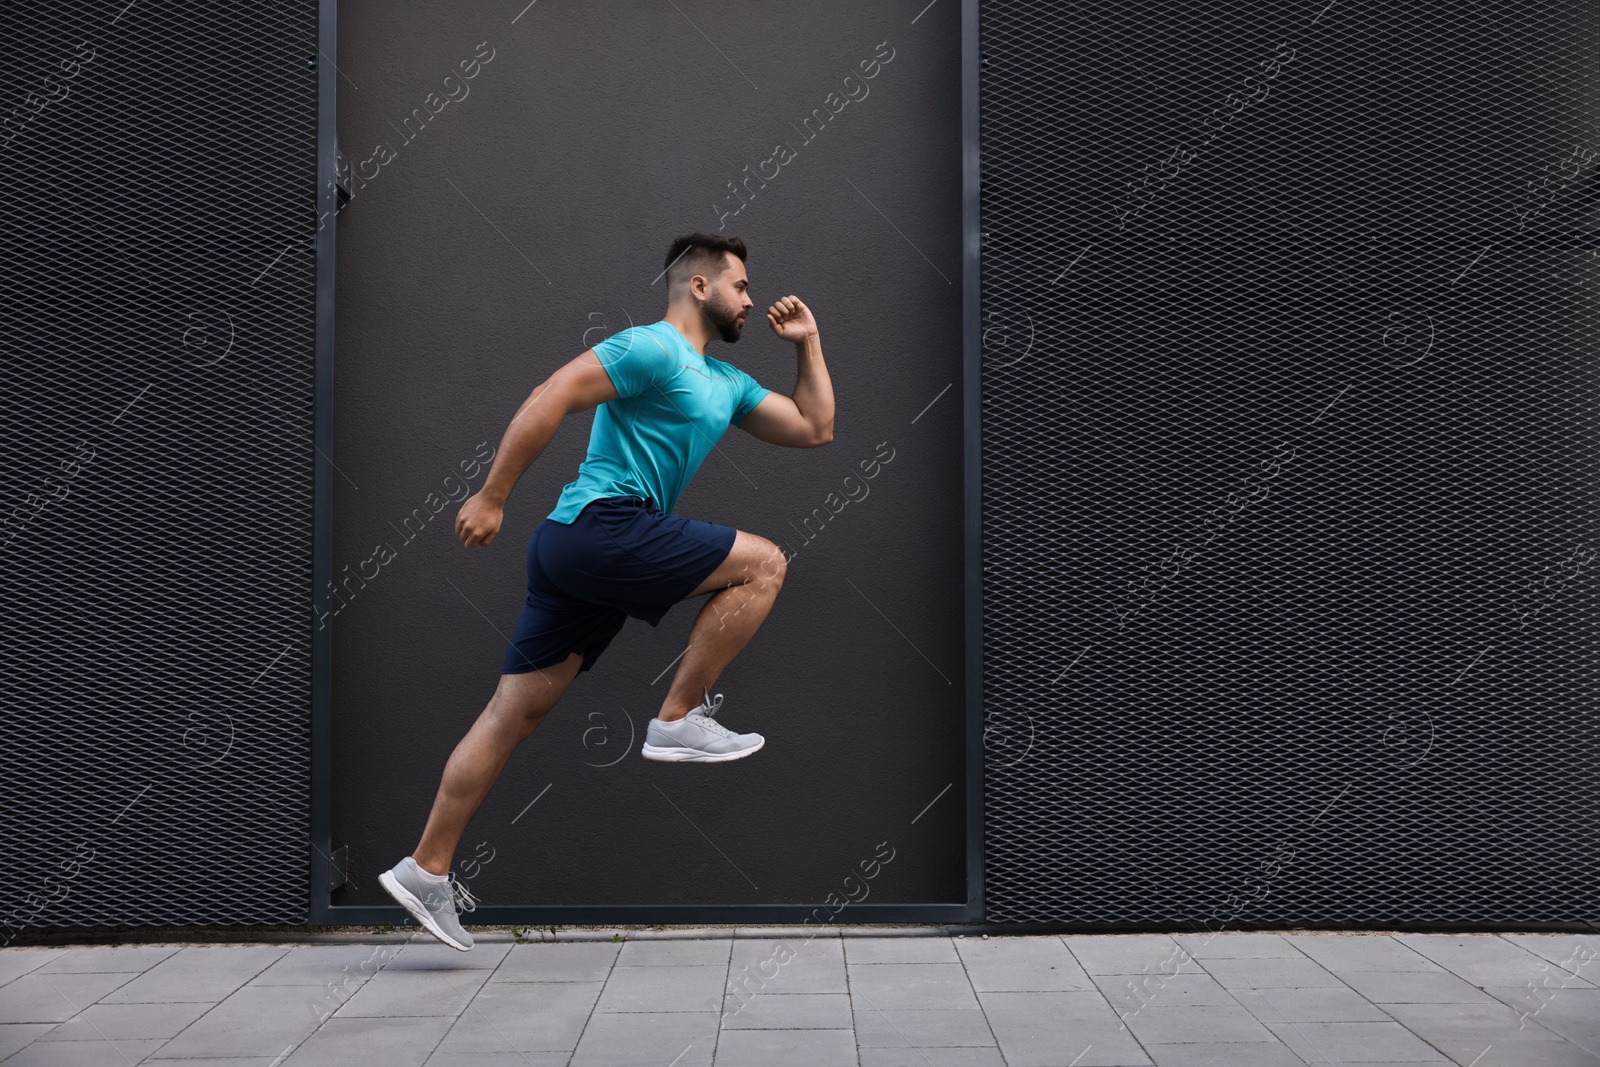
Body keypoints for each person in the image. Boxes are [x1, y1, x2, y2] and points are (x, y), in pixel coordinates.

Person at [379, 232, 834, 950]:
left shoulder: (727, 384)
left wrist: (807, 343)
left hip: (578, 548)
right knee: (766, 564)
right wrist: (492, 495)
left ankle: (424, 867)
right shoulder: (652, 348)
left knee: (512, 715)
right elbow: (552, 393)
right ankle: (678, 718)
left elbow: (815, 428)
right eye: (741, 285)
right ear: (699, 287)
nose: (752, 299)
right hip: (601, 525)